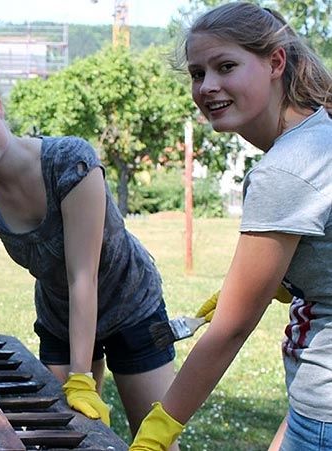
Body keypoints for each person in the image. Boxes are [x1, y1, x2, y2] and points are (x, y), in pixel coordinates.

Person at [0, 70, 179, 448]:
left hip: (131, 306)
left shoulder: (70, 162)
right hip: (60, 317)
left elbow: (82, 274)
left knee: (155, 440)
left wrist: (82, 378)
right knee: (68, 439)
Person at [129, 3, 332, 450]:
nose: (208, 87)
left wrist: (158, 432)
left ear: (275, 62)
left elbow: (231, 330)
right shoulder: (322, 135)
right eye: (198, 73)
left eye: (226, 67)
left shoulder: (286, 169)